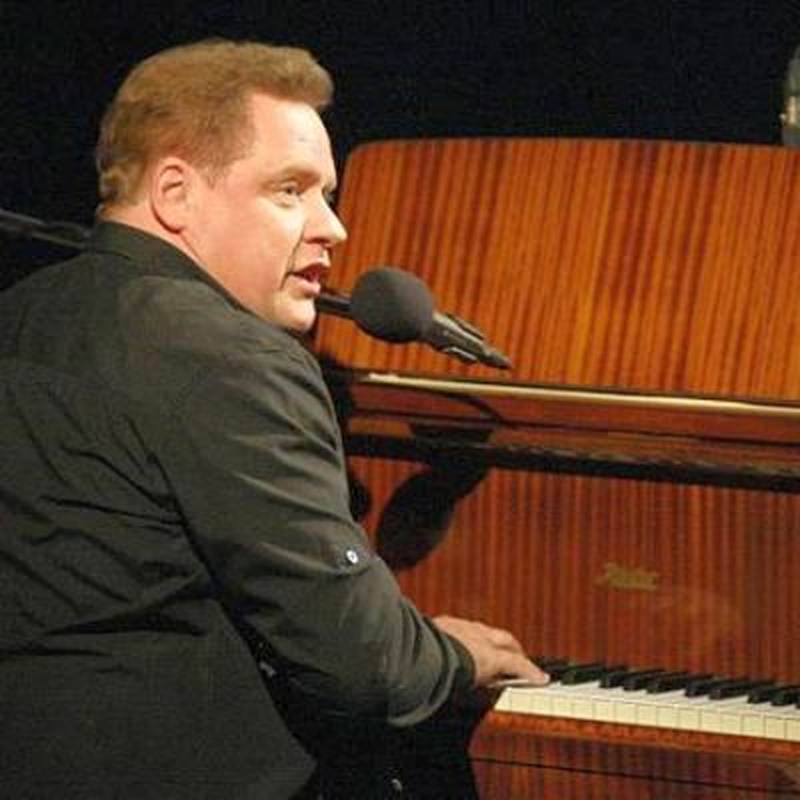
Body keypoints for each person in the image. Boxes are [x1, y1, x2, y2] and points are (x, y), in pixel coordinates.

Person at [0, 39, 546, 799]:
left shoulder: (20, 312)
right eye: (290, 190)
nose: (333, 229)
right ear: (175, 193)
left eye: (329, 195)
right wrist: (454, 657)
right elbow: (367, 666)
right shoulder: (233, 356)